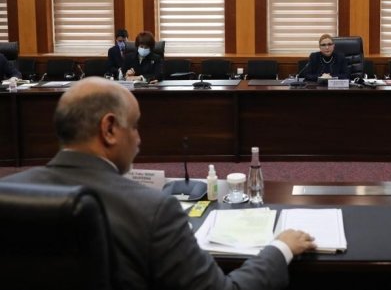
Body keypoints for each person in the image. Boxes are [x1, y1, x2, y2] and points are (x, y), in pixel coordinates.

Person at [0, 77, 316, 289]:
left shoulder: (10, 192)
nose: (139, 139)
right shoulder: (153, 210)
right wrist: (280, 248)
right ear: (109, 129)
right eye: (135, 126)